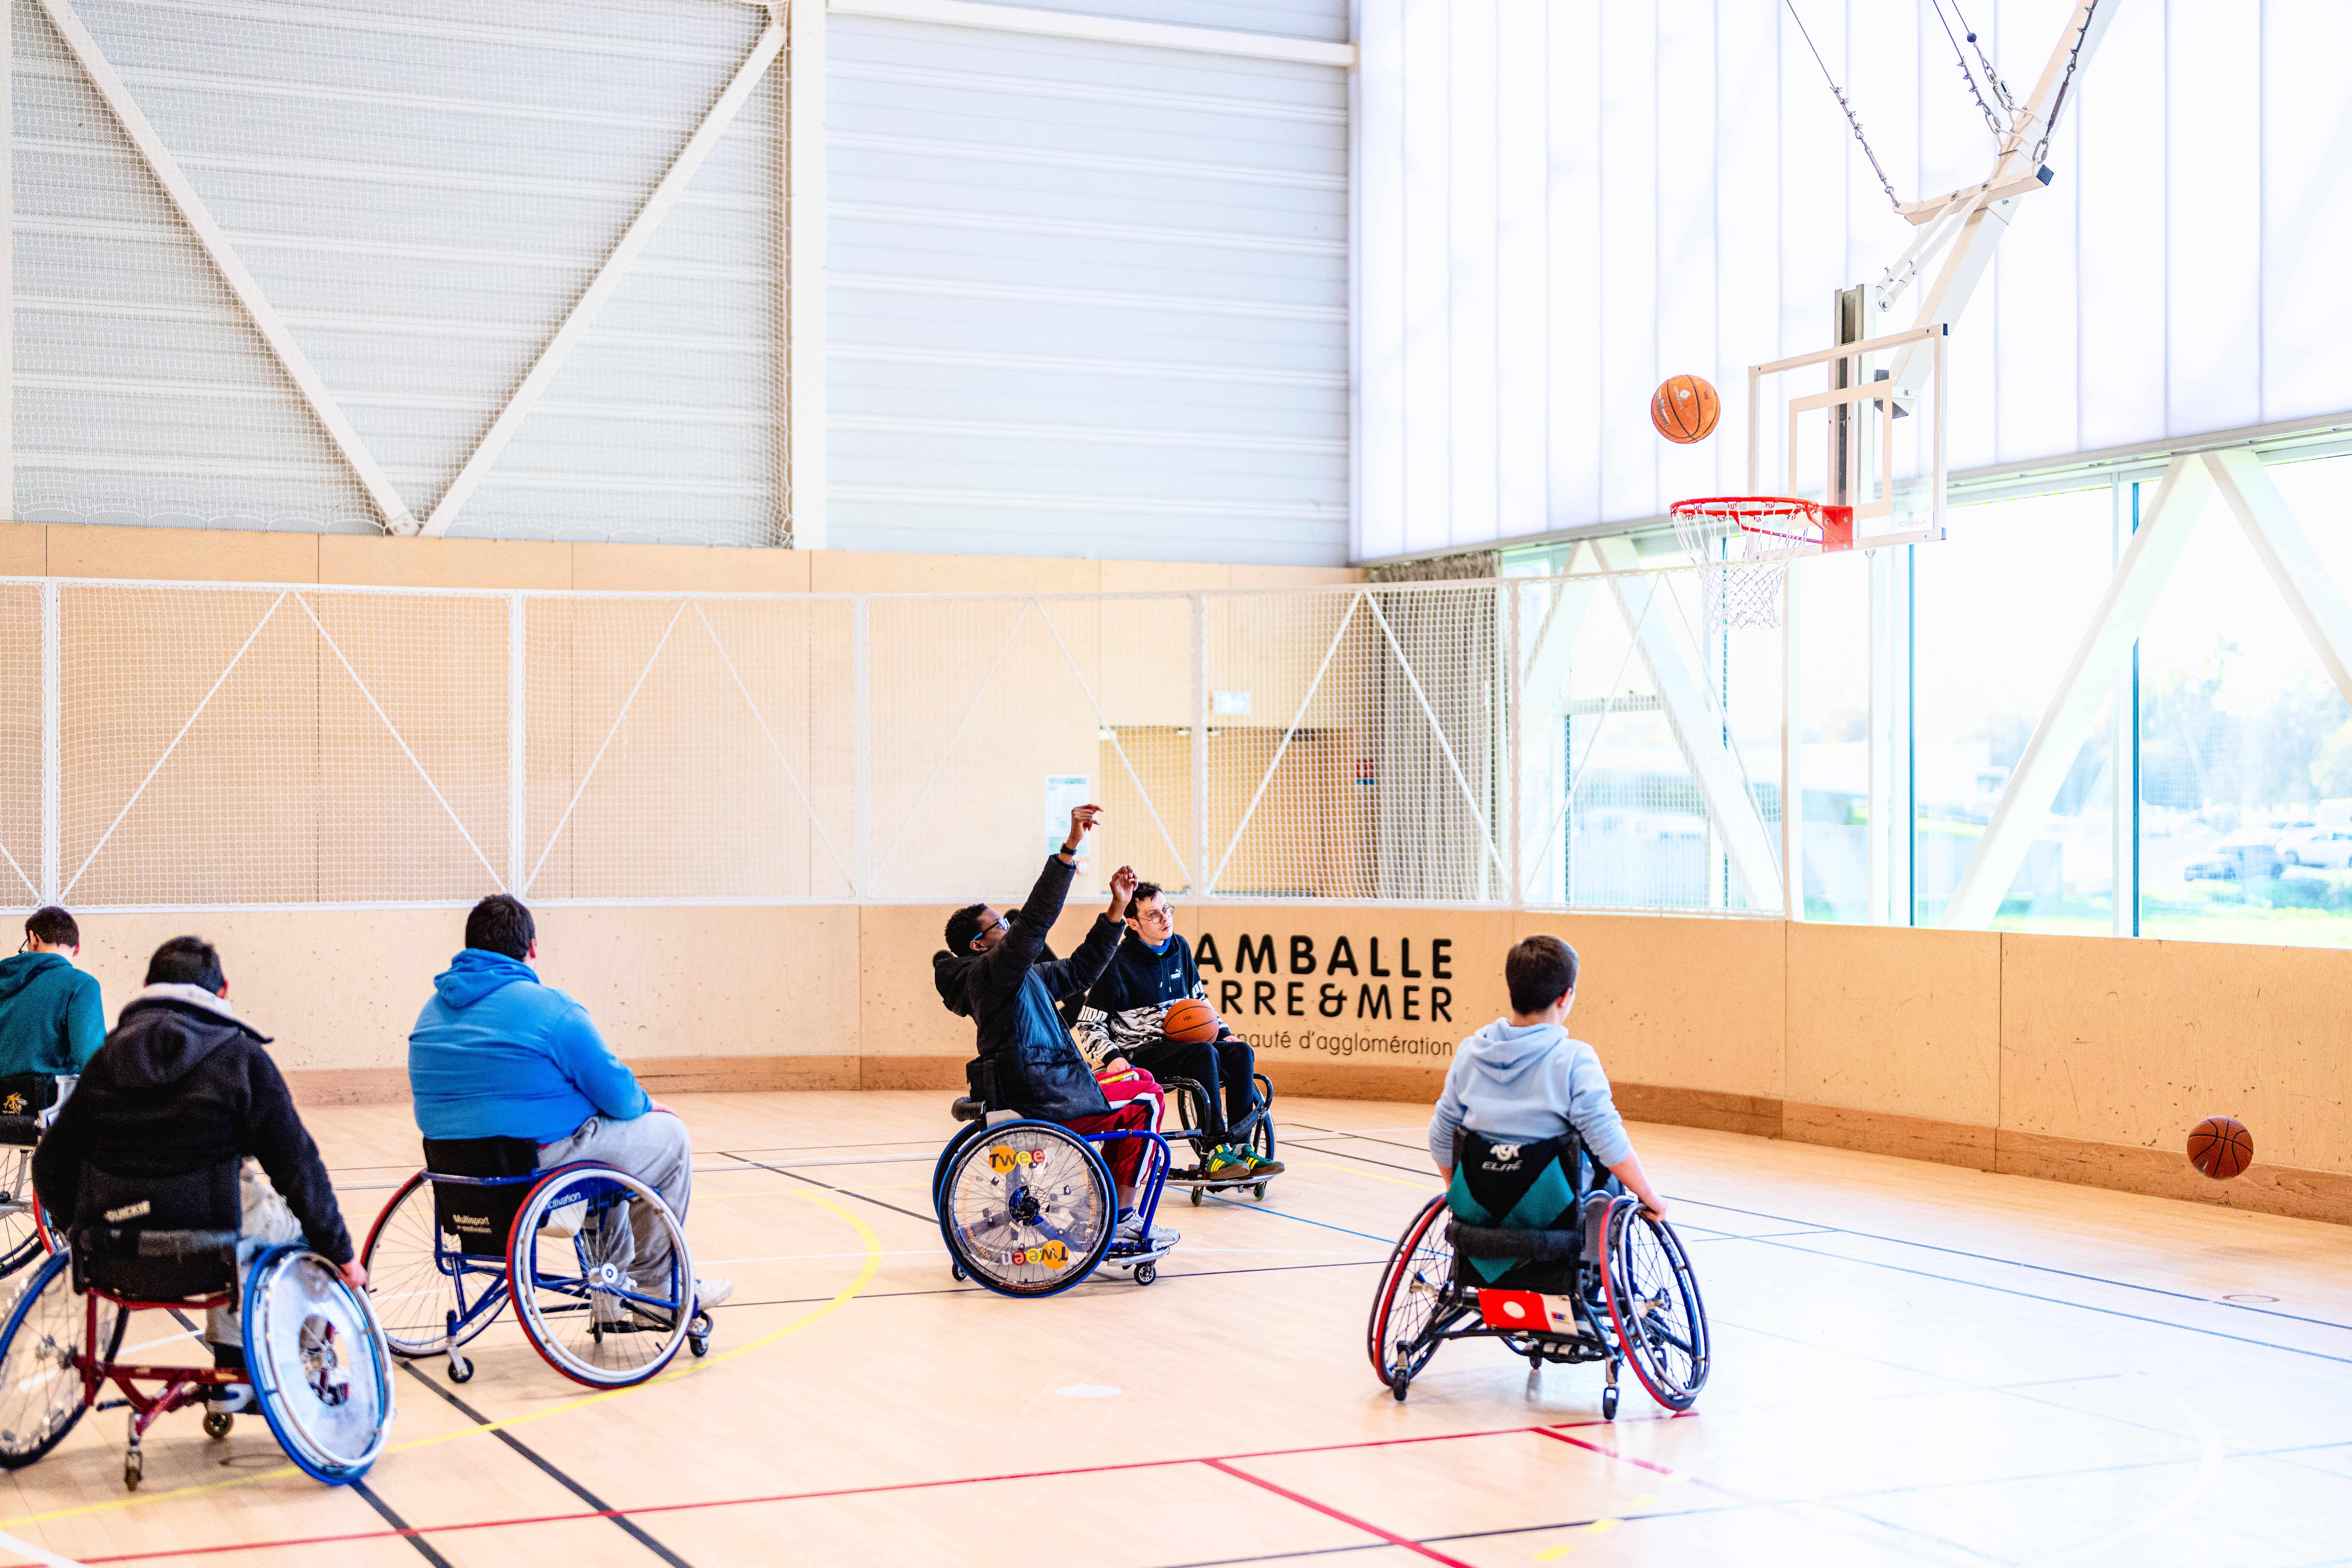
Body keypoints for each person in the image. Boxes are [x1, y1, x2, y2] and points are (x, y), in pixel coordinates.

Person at [33, 936, 362, 1412]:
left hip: (112, 1251)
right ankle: (285, 1361)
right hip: (212, 1248)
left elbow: (49, 1165)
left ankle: (233, 1363)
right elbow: (298, 1167)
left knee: (241, 1211)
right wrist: (342, 1255)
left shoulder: (106, 1061)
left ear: (147, 987)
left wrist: (78, 1229)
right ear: (223, 991)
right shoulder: (242, 1057)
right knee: (292, 1231)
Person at [407, 894, 729, 1322]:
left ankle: (610, 1302)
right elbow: (620, 1096)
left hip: (459, 1175)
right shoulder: (551, 1010)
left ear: (469, 947)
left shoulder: (429, 1015)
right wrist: (650, 1107)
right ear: (533, 948)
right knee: (668, 1140)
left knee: (598, 1143)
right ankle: (657, 1288)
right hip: (533, 1169)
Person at [933, 805, 1173, 1246]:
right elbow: (1038, 920)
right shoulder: (993, 973)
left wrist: (1117, 909)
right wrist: (1069, 849)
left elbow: (1080, 971)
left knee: (1136, 1077)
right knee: (1149, 1095)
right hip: (1045, 1100)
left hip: (1043, 1089)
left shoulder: (1011, 978)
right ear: (978, 942)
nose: (1009, 926)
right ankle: (1122, 1216)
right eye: (1000, 924)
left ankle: (1114, 1208)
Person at [1426, 935, 1666, 1219]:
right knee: (1608, 1178)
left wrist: (1461, 1194)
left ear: (1511, 989)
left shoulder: (1469, 1053)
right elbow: (1607, 1140)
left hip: (1482, 1206)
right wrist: (1650, 1197)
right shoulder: (1575, 1059)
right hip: (1549, 1211)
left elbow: (1441, 1135)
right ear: (1565, 997)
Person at [1073, 884, 1281, 1182]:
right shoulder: (1115, 963)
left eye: (1166, 910)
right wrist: (1114, 1057)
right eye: (1154, 915)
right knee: (1203, 1052)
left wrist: (1224, 1033)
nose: (1165, 919)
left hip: (1182, 1047)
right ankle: (1215, 1151)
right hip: (1140, 1053)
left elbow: (1200, 1005)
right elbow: (1089, 1023)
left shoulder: (1179, 948)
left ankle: (1241, 1147)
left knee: (1240, 1052)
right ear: (1133, 923)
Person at [0, 905, 105, 1082]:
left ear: (33, 939)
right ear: (77, 947)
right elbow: (91, 1060)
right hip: (50, 1105)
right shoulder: (81, 985)